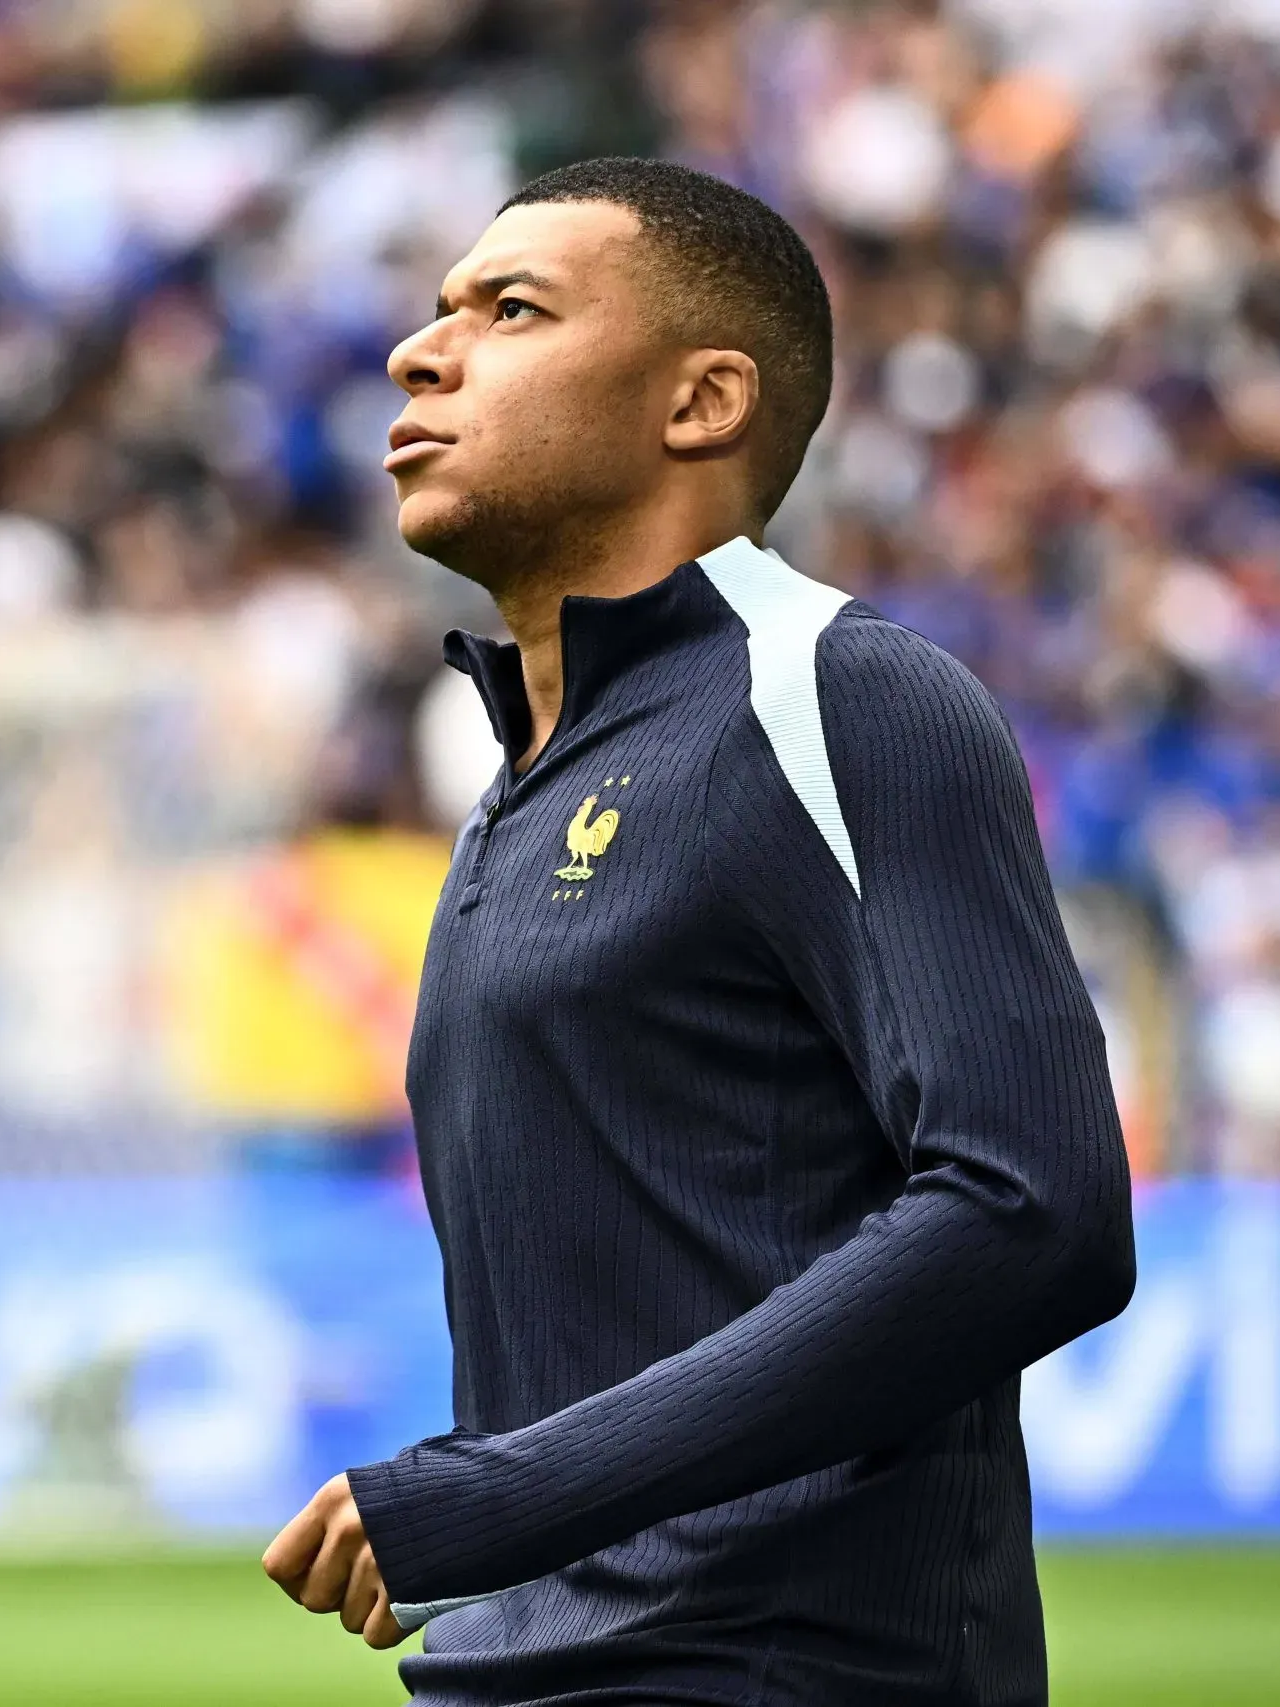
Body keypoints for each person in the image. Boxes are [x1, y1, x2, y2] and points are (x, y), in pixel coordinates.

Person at [262, 159, 1136, 1705]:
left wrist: (514, 1491)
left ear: (702, 401)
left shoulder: (840, 695)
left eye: (509, 308)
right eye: (437, 306)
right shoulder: (515, 793)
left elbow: (1032, 1206)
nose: (420, 348)